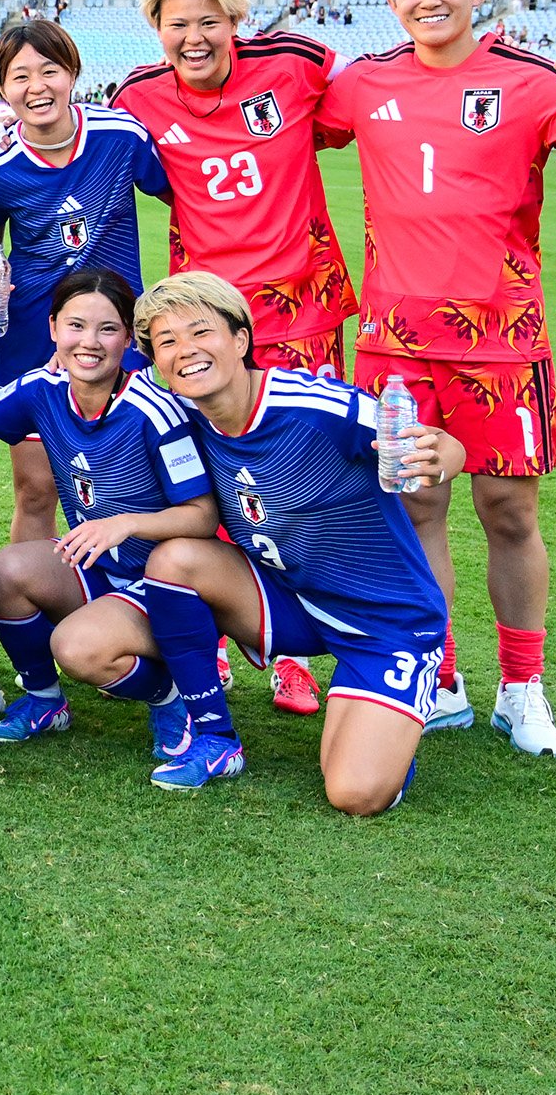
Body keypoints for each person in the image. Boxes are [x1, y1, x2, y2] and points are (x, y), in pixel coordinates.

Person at [317, 0, 556, 757]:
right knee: (415, 507)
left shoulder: (531, 82)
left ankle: (522, 688)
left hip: (503, 341)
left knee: (509, 511)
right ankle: (443, 676)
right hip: (394, 345)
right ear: (392, 2)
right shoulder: (364, 83)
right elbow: (279, 131)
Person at [111, 0, 359, 716]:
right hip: (199, 323)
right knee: (207, 480)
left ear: (235, 22)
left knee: (305, 482)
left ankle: (298, 651)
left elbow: (369, 109)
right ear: (157, 32)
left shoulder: (295, 64)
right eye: (177, 25)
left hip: (299, 309)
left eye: (208, 22)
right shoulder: (138, 99)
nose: (194, 37)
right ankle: (214, 622)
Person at [127, 273, 465, 815]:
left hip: (385, 619)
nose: (185, 350)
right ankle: (214, 738)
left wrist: (436, 461)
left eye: (201, 332)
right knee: (176, 560)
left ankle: (389, 725)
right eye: (167, 341)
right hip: (293, 601)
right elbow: (97, 373)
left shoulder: (314, 407)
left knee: (354, 794)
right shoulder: (181, 415)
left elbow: (440, 443)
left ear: (240, 339)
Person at [0, 269, 212, 758]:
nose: (89, 342)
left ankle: (171, 696)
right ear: (52, 329)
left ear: (129, 338)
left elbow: (202, 515)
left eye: (107, 329)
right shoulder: (41, 389)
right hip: (101, 570)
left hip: (166, 584)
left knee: (75, 647)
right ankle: (45, 701)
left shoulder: (155, 410)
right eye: (75, 326)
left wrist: (126, 524)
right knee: (7, 572)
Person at [0, 19, 170, 547]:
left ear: (73, 73)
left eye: (49, 71)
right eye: (20, 77)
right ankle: (32, 596)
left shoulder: (121, 136)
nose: (36, 87)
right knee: (36, 492)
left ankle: (136, 589)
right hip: (32, 338)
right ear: (1, 88)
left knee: (130, 487)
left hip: (115, 335)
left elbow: (181, 198)